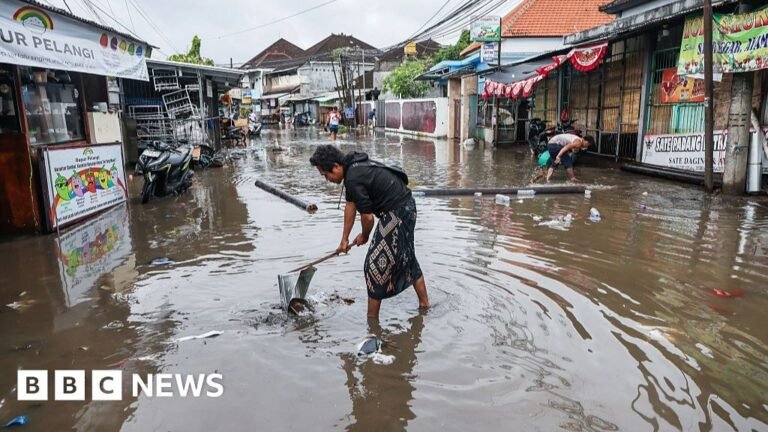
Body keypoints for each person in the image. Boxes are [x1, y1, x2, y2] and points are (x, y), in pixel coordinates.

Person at [309, 145, 430, 319]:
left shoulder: (353, 178)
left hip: (398, 213)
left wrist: (364, 236)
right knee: (407, 257)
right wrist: (344, 240)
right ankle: (425, 305)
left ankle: (372, 322)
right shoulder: (352, 168)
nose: (326, 179)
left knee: (373, 266)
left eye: (326, 175)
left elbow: (368, 219)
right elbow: (350, 206)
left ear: (336, 166)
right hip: (405, 208)